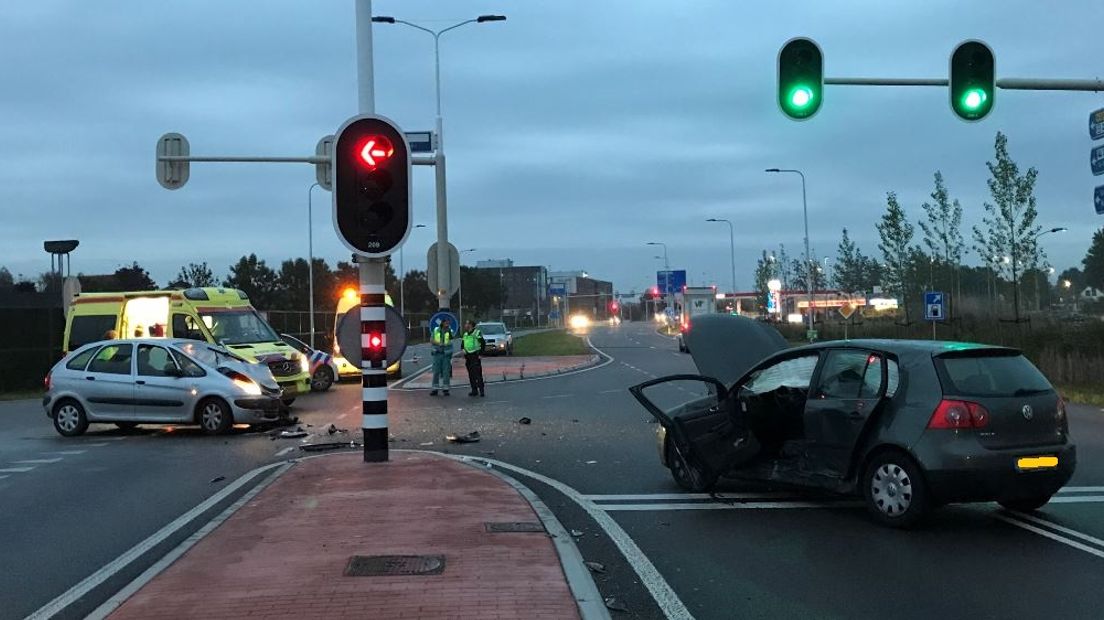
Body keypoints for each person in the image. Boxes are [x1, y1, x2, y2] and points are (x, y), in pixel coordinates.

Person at [430, 318, 454, 396]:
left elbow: (451, 342)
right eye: (446, 323)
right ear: (442, 323)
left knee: (446, 372)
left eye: (448, 323)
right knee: (436, 372)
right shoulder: (436, 330)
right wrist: (439, 343)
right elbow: (431, 340)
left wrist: (445, 345)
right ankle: (435, 389)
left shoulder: (450, 331)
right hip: (437, 353)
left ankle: (446, 389)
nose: (447, 324)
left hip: (446, 354)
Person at [461, 320, 486, 397]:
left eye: (467, 324)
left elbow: (483, 343)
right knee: (471, 374)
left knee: (478, 374)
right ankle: (474, 390)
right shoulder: (465, 334)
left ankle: (481, 390)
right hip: (468, 356)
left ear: (471, 325)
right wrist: (463, 350)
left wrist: (481, 354)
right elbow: (462, 344)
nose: (465, 325)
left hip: (475, 355)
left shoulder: (477, 332)